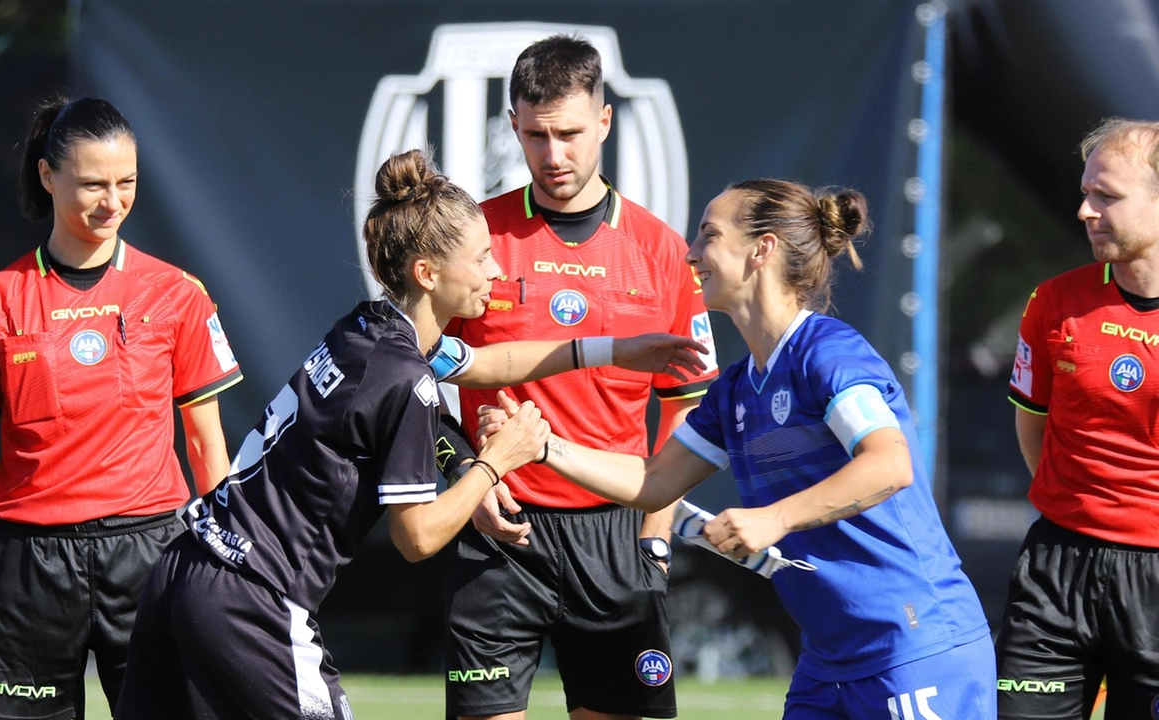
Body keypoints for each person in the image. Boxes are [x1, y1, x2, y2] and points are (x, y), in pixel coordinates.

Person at [113, 149, 707, 720]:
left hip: (183, 568)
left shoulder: (367, 329)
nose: (496, 271)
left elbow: (491, 365)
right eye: (480, 259)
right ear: (428, 273)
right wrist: (496, 462)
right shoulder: (407, 379)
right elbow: (417, 537)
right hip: (253, 598)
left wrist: (617, 349)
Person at [483, 179, 996, 719]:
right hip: (829, 662)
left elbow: (890, 465)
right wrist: (542, 446)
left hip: (916, 647)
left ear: (762, 250)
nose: (691, 252)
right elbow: (654, 481)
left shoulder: (829, 353)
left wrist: (775, 518)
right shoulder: (734, 390)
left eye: (709, 235)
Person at [0, 95, 244, 720]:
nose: (114, 202)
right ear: (48, 176)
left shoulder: (179, 294)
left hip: (153, 554)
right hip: (31, 566)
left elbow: (208, 447)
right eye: (94, 184)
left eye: (127, 183)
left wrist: (234, 563)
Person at [444, 34, 720, 720]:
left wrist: (655, 541)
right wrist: (463, 479)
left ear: (604, 121)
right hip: (500, 531)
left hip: (615, 537)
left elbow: (687, 413)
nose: (554, 154)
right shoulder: (477, 238)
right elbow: (413, 382)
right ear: (513, 125)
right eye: (536, 135)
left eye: (569, 133)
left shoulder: (662, 252)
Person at [1001, 118, 1159, 719]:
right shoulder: (1055, 301)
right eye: (1086, 192)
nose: (1085, 211)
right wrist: (1080, 510)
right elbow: (1033, 426)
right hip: (1056, 569)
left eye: (1108, 196)